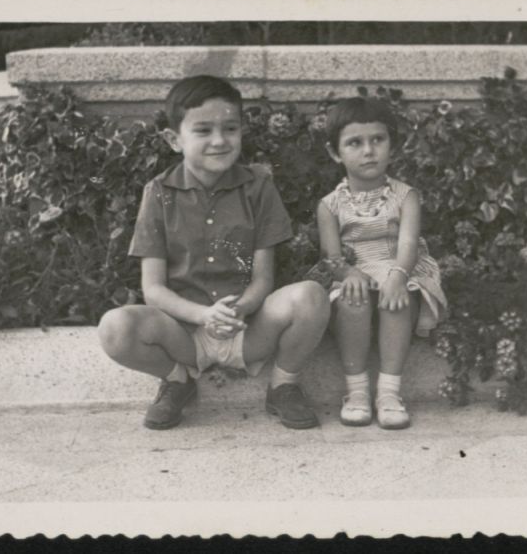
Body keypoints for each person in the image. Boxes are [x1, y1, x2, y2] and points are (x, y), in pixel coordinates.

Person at [98, 75, 330, 431]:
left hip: (247, 329)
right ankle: (177, 381)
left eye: (230, 128)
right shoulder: (158, 193)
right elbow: (154, 289)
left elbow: (263, 278)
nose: (220, 141)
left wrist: (235, 310)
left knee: (311, 296)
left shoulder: (258, 187)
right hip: (184, 334)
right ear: (174, 140)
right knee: (114, 328)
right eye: (203, 131)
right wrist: (204, 315)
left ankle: (284, 385)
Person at [316, 97, 447, 430]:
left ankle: (389, 393)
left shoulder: (405, 196)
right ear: (335, 153)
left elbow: (408, 244)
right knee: (351, 301)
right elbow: (332, 256)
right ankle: (357, 392)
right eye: (355, 143)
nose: (368, 151)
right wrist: (348, 272)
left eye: (378, 140)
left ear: (392, 146)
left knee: (397, 301)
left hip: (398, 265)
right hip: (355, 271)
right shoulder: (329, 206)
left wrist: (398, 275)